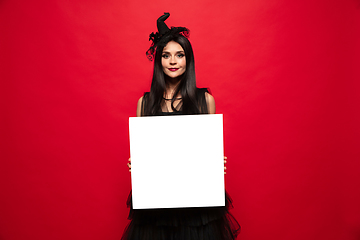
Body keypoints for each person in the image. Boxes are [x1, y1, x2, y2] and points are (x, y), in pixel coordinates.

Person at [122, 13, 240, 240]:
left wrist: (215, 162)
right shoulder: (144, 103)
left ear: (189, 60)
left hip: (197, 204)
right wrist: (135, 162)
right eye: (166, 55)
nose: (173, 61)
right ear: (159, 60)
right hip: (156, 201)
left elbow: (206, 149)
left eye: (179, 55)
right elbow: (143, 152)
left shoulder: (204, 100)